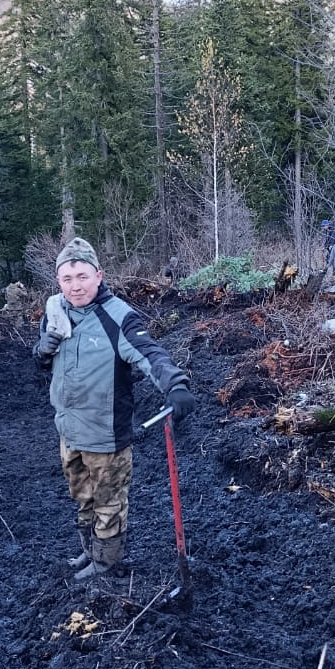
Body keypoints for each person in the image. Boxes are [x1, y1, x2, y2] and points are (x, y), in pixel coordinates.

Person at [34, 237, 195, 580]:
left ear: (99, 276)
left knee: (108, 503)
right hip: (69, 429)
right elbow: (43, 361)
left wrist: (175, 385)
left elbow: (150, 353)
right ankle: (89, 551)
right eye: (67, 279)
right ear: (58, 281)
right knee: (82, 497)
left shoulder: (117, 317)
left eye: (82, 277)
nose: (75, 286)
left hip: (107, 434)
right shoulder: (55, 311)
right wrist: (42, 350)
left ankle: (106, 564)